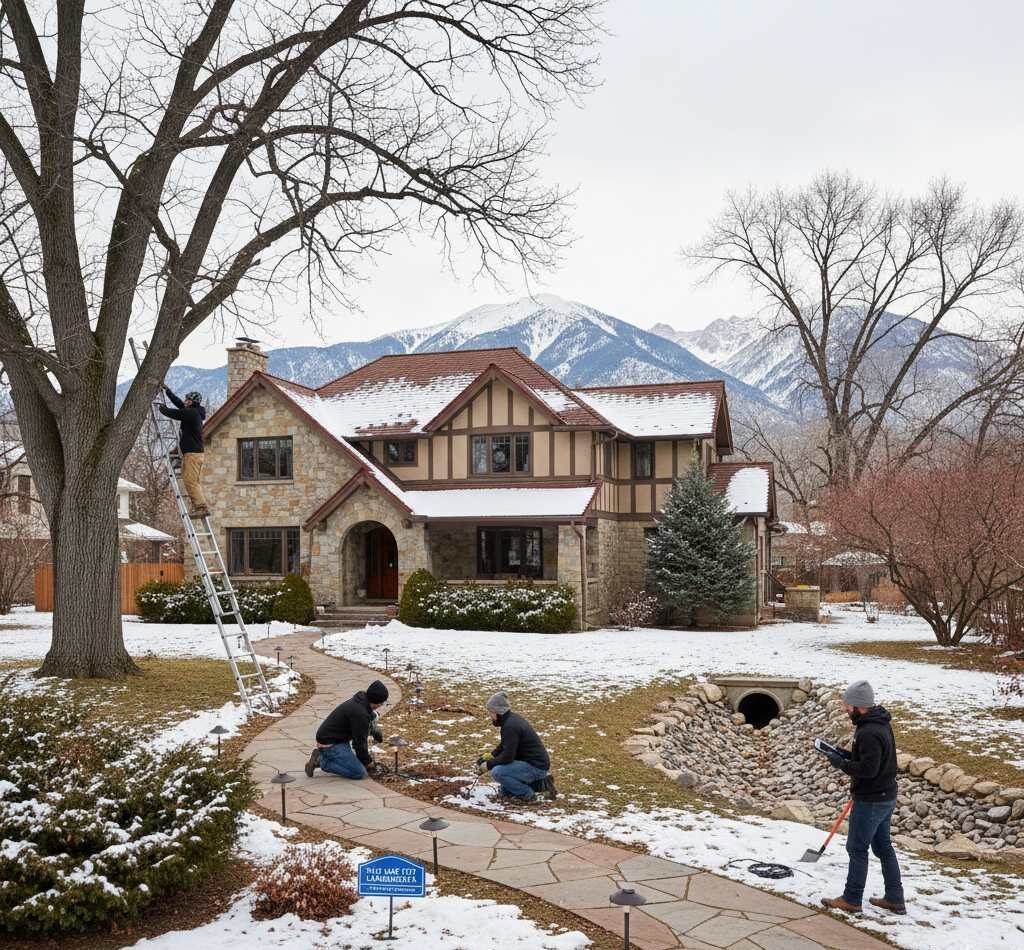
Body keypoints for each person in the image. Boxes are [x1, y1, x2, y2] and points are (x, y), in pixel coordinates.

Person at [821, 679, 906, 916]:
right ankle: (895, 898)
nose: (846, 710)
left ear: (859, 706)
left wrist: (841, 764)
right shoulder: (879, 722)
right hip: (885, 795)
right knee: (883, 847)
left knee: (857, 849)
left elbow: (868, 770)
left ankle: (852, 899)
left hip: (871, 800)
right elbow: (870, 760)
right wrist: (843, 755)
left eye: (848, 706)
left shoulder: (869, 731)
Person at [478, 691, 557, 803]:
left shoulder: (510, 726)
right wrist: (491, 755)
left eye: (491, 712)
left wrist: (488, 765)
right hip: (532, 763)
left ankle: (528, 795)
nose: (490, 716)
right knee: (505, 790)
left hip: (536, 767)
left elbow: (507, 757)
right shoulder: (511, 720)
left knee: (498, 772)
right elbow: (505, 745)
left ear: (498, 712)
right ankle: (538, 785)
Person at [305, 679, 388, 779]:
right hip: (331, 744)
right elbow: (359, 744)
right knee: (360, 773)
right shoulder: (360, 714)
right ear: (377, 702)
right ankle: (322, 762)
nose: (381, 705)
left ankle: (324, 756)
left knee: (358, 762)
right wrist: (369, 763)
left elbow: (369, 717)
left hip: (337, 739)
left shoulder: (360, 700)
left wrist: (374, 730)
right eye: (382, 703)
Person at [158, 386, 208, 518]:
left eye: (187, 399)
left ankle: (201, 507)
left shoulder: (191, 414)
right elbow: (179, 404)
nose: (185, 401)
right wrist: (168, 392)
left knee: (191, 481)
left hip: (193, 454)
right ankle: (199, 506)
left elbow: (175, 413)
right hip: (190, 453)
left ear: (191, 402)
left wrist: (162, 408)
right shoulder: (193, 412)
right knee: (190, 480)